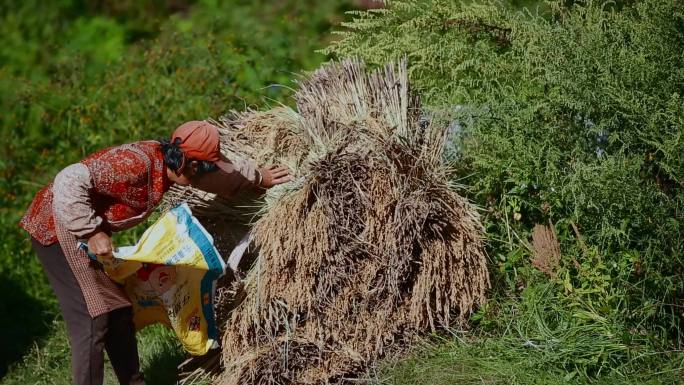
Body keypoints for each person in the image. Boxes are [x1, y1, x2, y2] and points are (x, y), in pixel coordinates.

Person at [19, 120, 291, 385]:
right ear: (190, 165)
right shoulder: (136, 163)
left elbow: (219, 176)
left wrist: (260, 177)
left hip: (78, 226)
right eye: (205, 167)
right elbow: (69, 178)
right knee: (95, 317)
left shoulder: (177, 165)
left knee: (120, 311)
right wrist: (91, 231)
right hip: (58, 225)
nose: (208, 174)